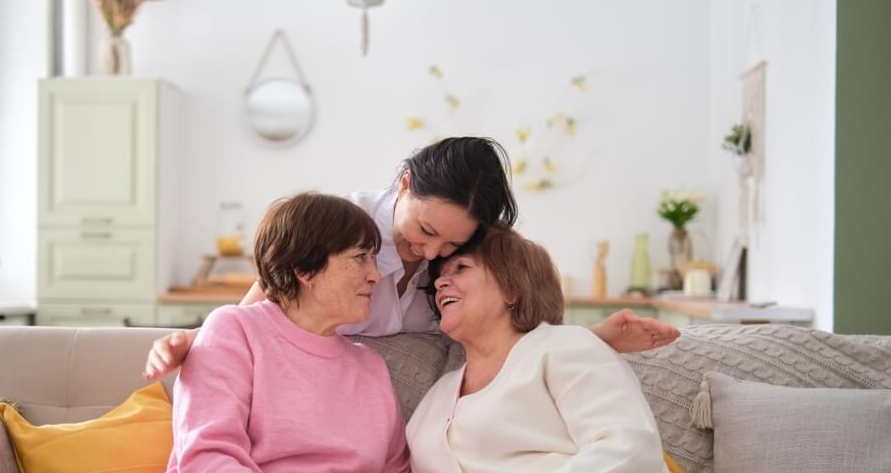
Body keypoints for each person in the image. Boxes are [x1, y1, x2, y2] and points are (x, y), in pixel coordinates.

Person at [143, 137, 679, 380]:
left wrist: (595, 340)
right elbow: (261, 307)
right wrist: (198, 341)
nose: (430, 253)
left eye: (450, 246)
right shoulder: (341, 226)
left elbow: (510, 337)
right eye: (424, 231)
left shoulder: (464, 262)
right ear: (403, 184)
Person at [401, 224, 734, 473]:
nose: (442, 284)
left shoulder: (566, 347)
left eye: (460, 268)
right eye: (438, 280)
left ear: (512, 286)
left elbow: (629, 448)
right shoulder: (434, 400)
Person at [143, 193, 411, 473]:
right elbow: (207, 462)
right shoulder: (233, 331)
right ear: (305, 269)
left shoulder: (371, 368)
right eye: (359, 258)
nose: (376, 274)